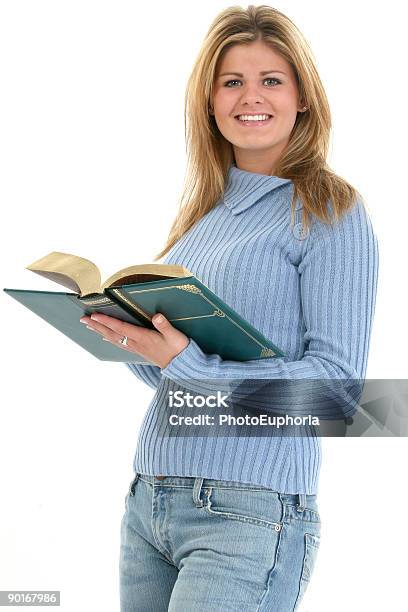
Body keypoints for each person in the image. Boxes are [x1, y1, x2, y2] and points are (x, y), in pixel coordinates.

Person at [80, 5, 379, 611]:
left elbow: (335, 393)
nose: (251, 97)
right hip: (152, 501)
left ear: (304, 99)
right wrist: (133, 341)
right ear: (210, 103)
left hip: (249, 509)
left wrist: (189, 365)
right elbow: (177, 374)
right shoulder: (201, 222)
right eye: (232, 81)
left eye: (272, 80)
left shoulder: (330, 210)